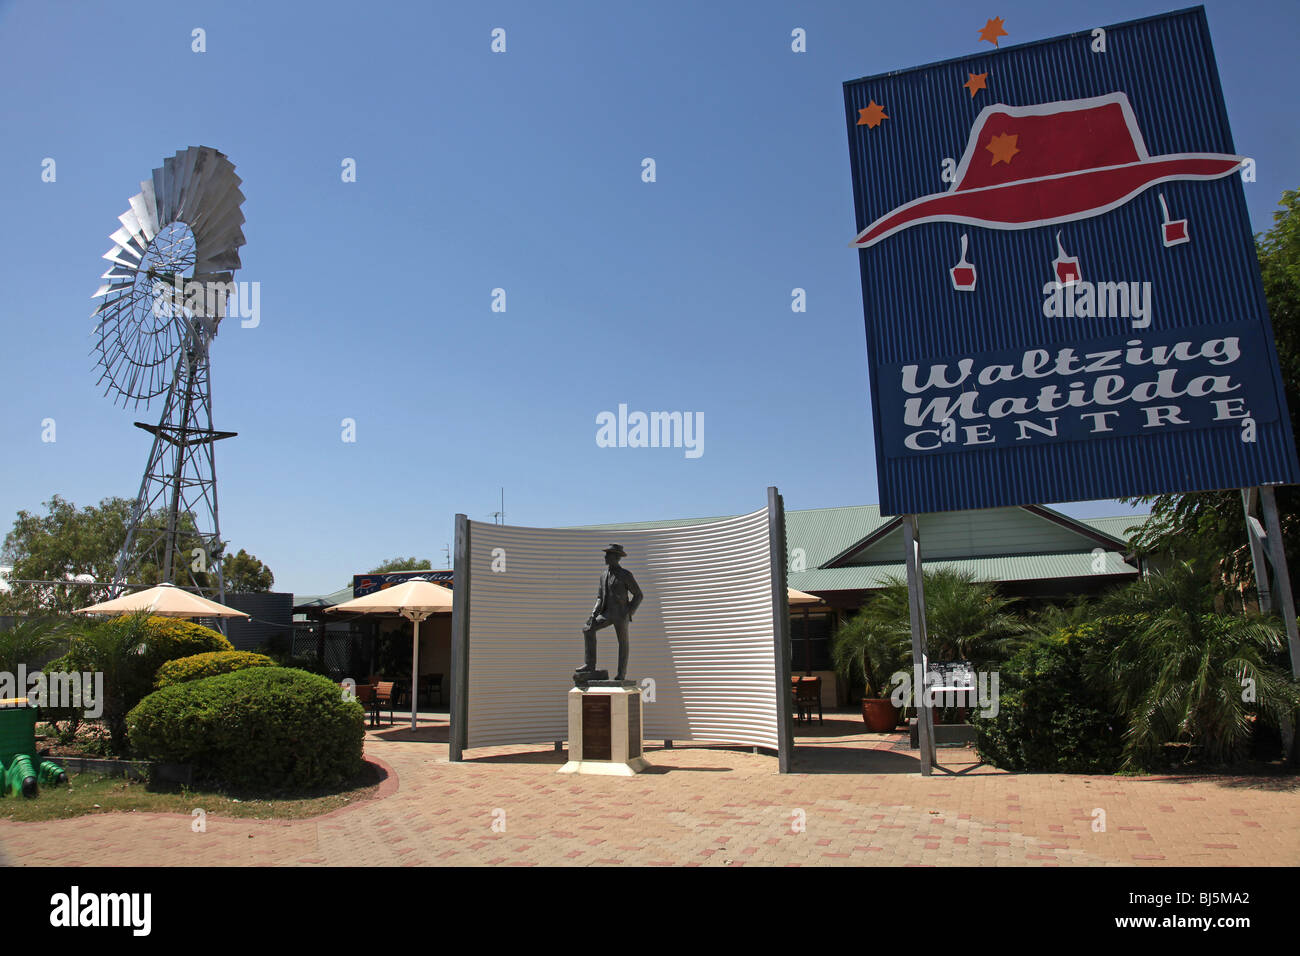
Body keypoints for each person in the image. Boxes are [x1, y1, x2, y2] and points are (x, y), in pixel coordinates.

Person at [577, 544, 642, 681]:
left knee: (623, 643)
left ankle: (621, 674)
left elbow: (638, 595)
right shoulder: (603, 576)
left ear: (616, 557)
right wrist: (593, 614)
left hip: (621, 614)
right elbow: (600, 597)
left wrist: (629, 612)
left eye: (608, 554)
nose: (605, 557)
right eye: (606, 554)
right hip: (607, 613)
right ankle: (589, 664)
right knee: (588, 629)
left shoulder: (625, 575)